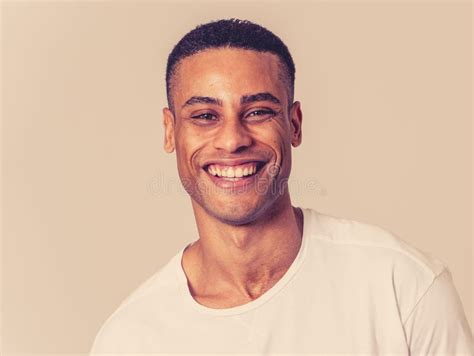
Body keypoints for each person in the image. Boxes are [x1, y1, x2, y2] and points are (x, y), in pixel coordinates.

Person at [90, 18, 473, 355]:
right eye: (205, 115)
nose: (232, 140)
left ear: (294, 124)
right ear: (171, 131)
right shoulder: (130, 340)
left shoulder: (402, 287)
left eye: (258, 112)